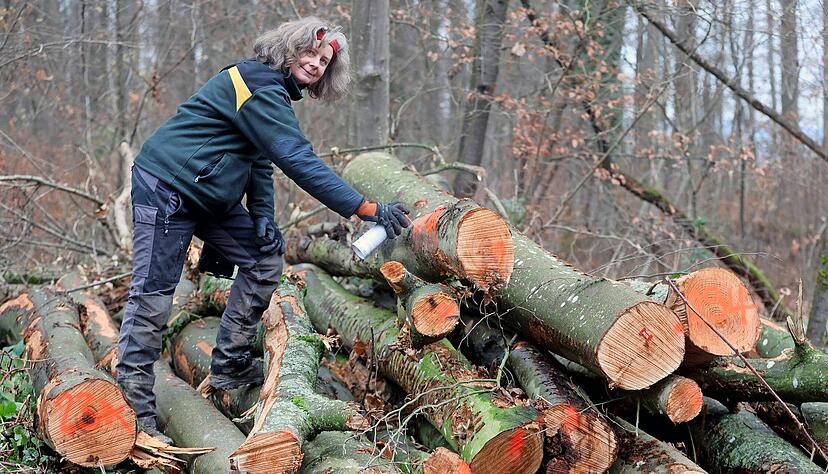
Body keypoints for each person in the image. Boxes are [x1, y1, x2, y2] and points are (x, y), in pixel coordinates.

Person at [116, 17, 409, 443]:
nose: (315, 64)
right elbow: (297, 159)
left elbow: (258, 160)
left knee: (264, 260)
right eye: (309, 53)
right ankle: (134, 414)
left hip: (208, 193)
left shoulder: (272, 94)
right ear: (288, 50)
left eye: (324, 61)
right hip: (168, 188)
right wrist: (365, 208)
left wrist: (262, 218)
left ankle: (229, 366)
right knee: (153, 297)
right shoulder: (254, 82)